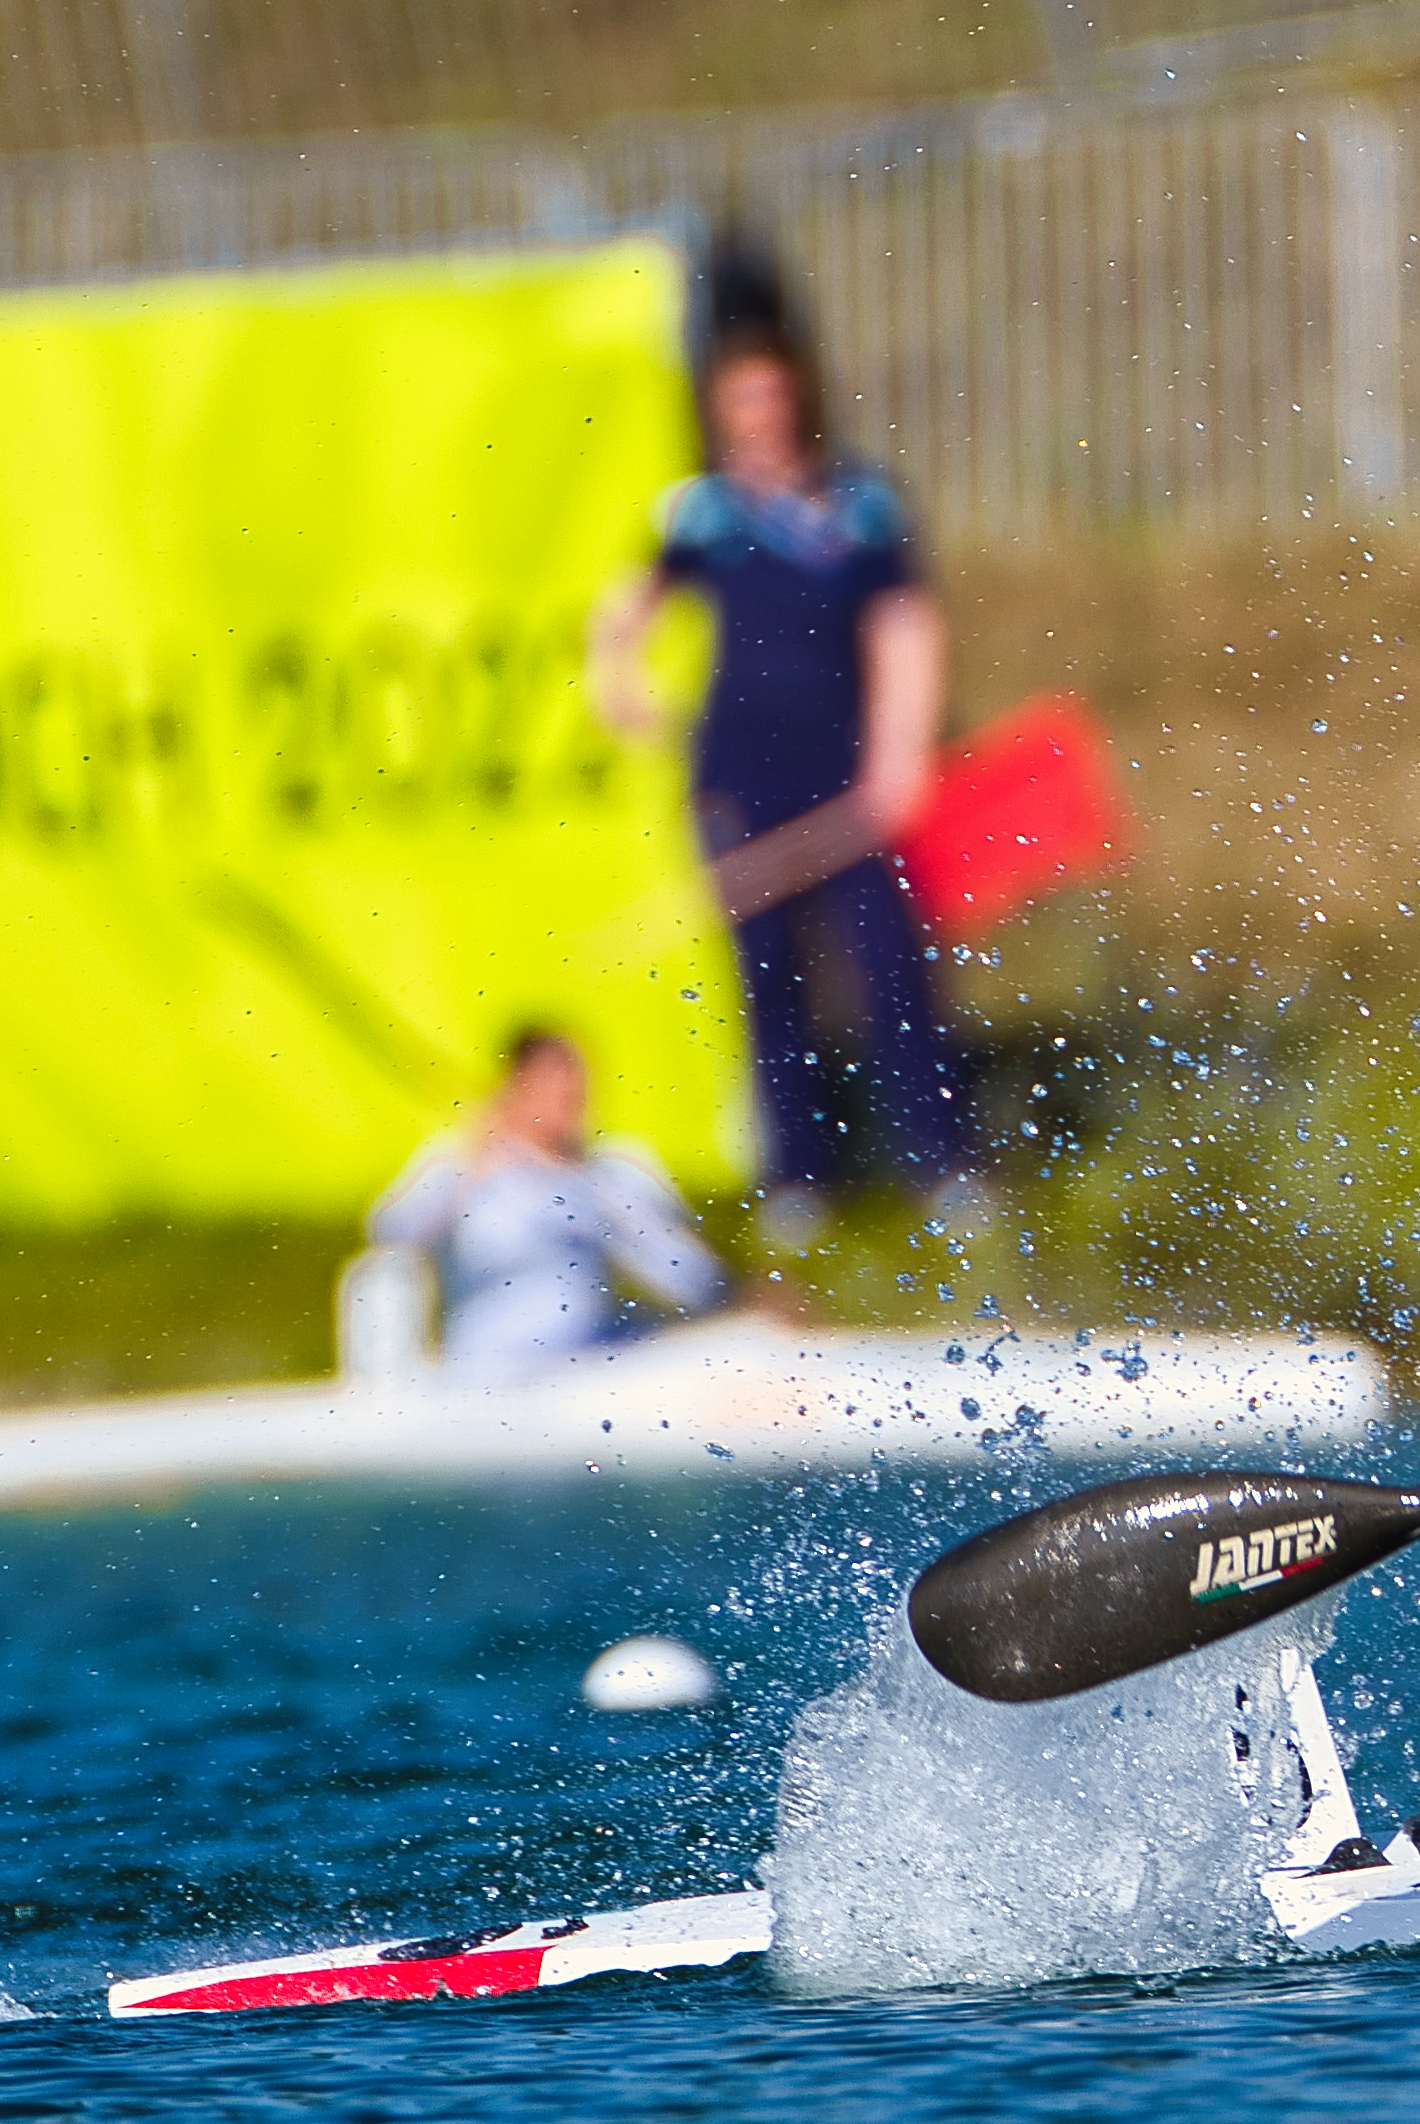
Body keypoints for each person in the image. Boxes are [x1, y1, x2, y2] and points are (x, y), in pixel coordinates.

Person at [589, 309, 983, 1248]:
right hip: (738, 777)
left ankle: (942, 1162)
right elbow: (629, 605)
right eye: (739, 399)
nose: (757, 414)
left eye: (769, 394)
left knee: (891, 965)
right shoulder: (703, 512)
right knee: (768, 979)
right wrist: (620, 684)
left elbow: (905, 630)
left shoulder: (860, 506)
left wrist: (900, 755)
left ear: (794, 396)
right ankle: (799, 1177)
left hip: (844, 777)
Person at [366, 1028, 734, 1373]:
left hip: (588, 1364)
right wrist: (473, 1156)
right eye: (551, 1086)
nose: (568, 1100)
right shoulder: (460, 1162)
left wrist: (597, 1193)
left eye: (575, 1088)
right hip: (491, 1372)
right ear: (515, 1090)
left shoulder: (608, 1170)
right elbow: (390, 1232)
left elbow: (689, 1276)